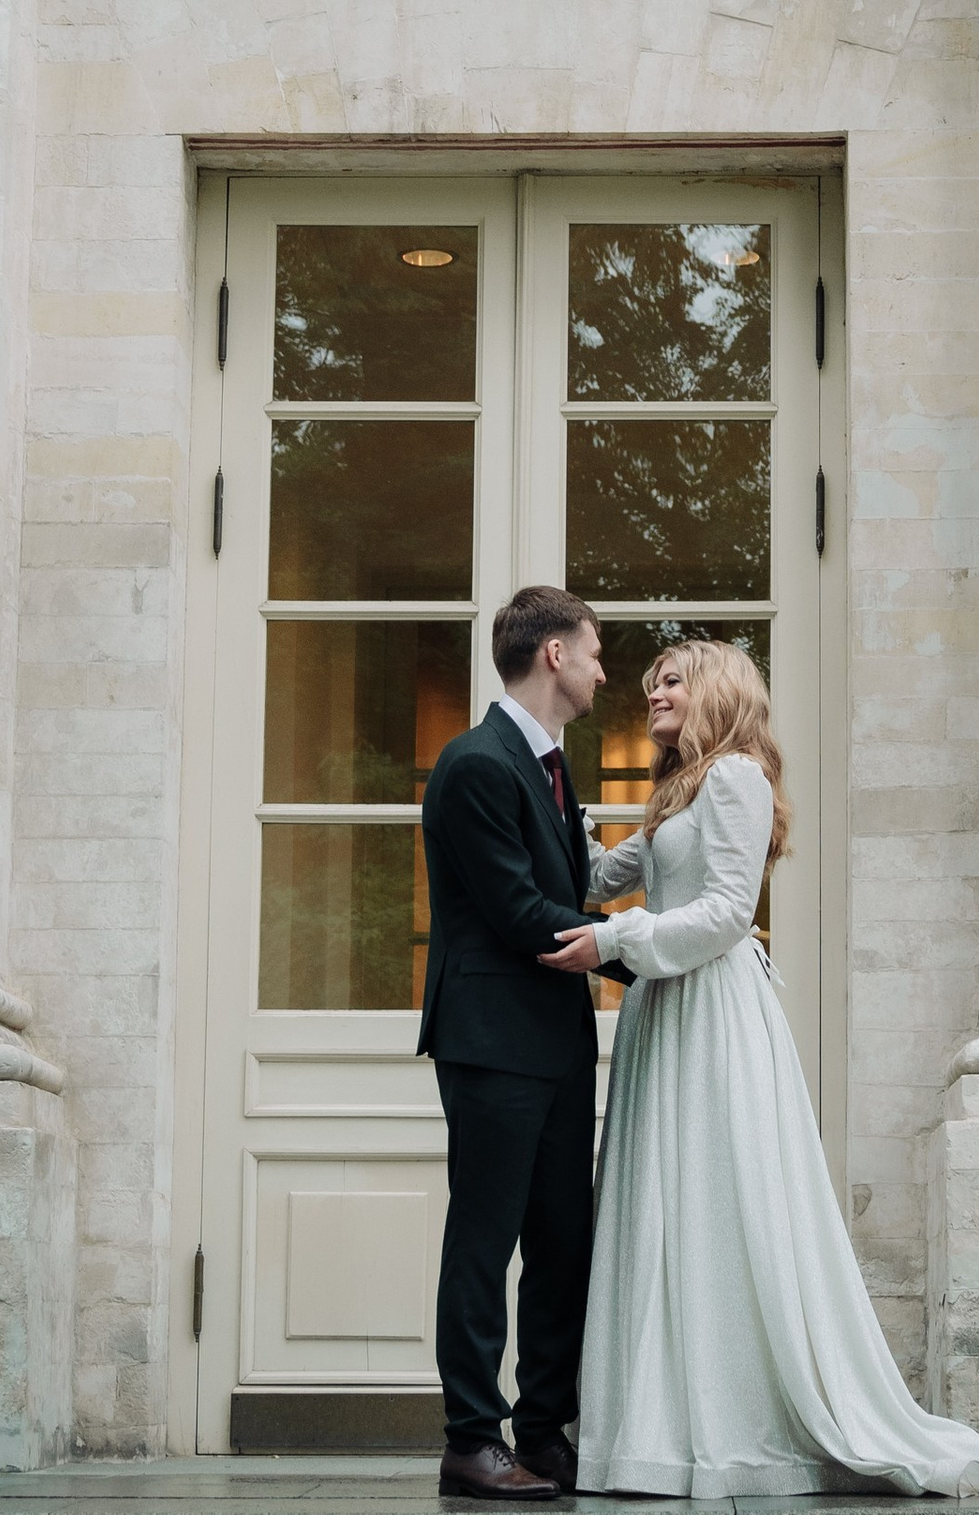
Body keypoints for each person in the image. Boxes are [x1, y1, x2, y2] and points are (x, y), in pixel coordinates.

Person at [539, 641, 979, 1502]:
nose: (653, 692)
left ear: (718, 694)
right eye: (651, 682)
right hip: (667, 1013)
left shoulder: (735, 777)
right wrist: (548, 805)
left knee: (717, 1199)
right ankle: (657, 1428)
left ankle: (735, 1423)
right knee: (665, 1202)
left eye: (672, 680)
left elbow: (728, 913)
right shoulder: (673, 797)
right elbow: (594, 875)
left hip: (715, 1010)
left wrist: (617, 940)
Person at [419, 584, 606, 1500]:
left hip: (561, 1046)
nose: (606, 671)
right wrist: (643, 953)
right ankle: (469, 1437)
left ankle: (544, 1431)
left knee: (563, 1242)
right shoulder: (476, 765)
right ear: (557, 655)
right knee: (484, 1241)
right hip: (492, 1041)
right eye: (597, 652)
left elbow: (562, 895)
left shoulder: (554, 770)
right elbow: (520, 913)